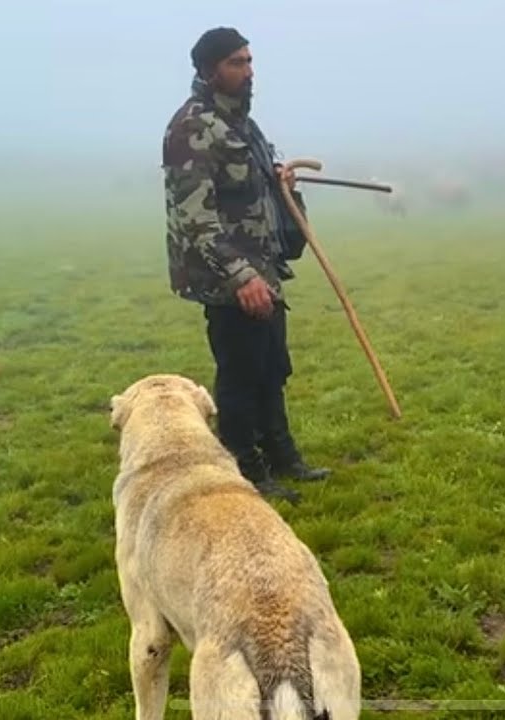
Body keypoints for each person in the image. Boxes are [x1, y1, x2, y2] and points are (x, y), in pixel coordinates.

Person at [161, 26, 329, 505]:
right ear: (209, 70)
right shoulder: (192, 128)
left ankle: (283, 456)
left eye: (250, 61)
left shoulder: (243, 126)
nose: (249, 71)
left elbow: (257, 197)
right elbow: (196, 218)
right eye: (237, 62)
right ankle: (245, 470)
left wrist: (283, 184)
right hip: (228, 279)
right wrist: (241, 276)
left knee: (271, 367)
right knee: (239, 375)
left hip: (264, 269)